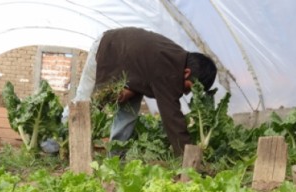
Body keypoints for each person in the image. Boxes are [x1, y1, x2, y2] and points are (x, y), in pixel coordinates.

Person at [72, 26, 217, 156]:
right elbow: (172, 117)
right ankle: (62, 134)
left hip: (126, 66)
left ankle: (115, 157)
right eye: (188, 87)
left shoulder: (175, 59)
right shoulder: (171, 70)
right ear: (186, 73)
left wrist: (131, 90)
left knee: (128, 114)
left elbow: (145, 70)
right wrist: (187, 155)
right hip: (107, 48)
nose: (186, 93)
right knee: (83, 102)